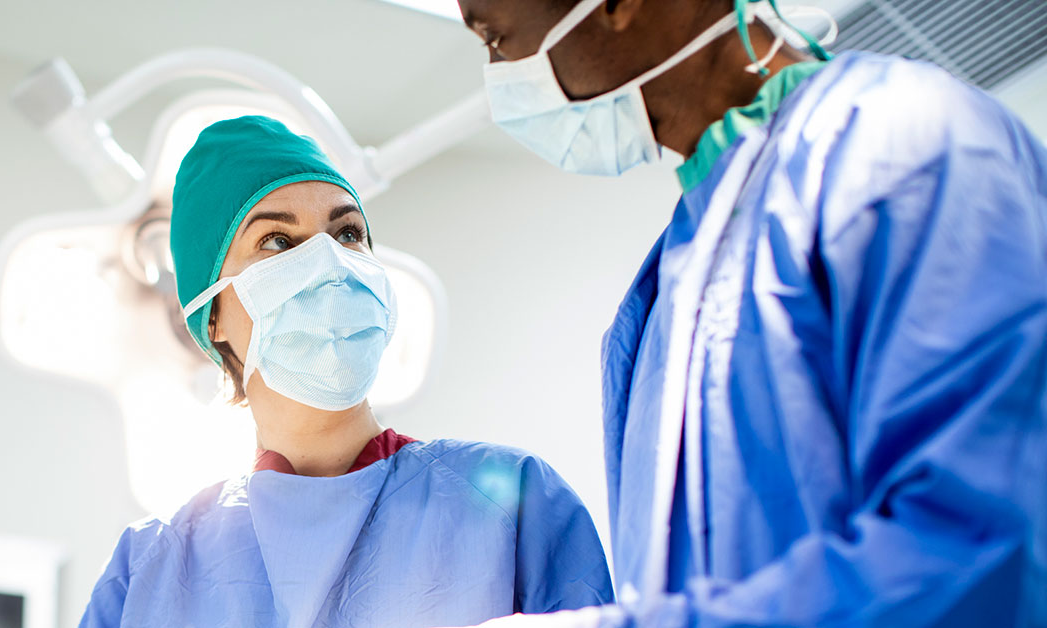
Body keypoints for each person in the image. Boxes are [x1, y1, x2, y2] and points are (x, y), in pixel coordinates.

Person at [448, 0, 1047, 625]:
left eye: (496, 36)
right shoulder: (668, 282)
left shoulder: (905, 146)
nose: (500, 73)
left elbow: (985, 552)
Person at [77, 115, 615, 628]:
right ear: (211, 312)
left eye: (349, 234)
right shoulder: (149, 570)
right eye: (278, 241)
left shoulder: (513, 507)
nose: (329, 264)